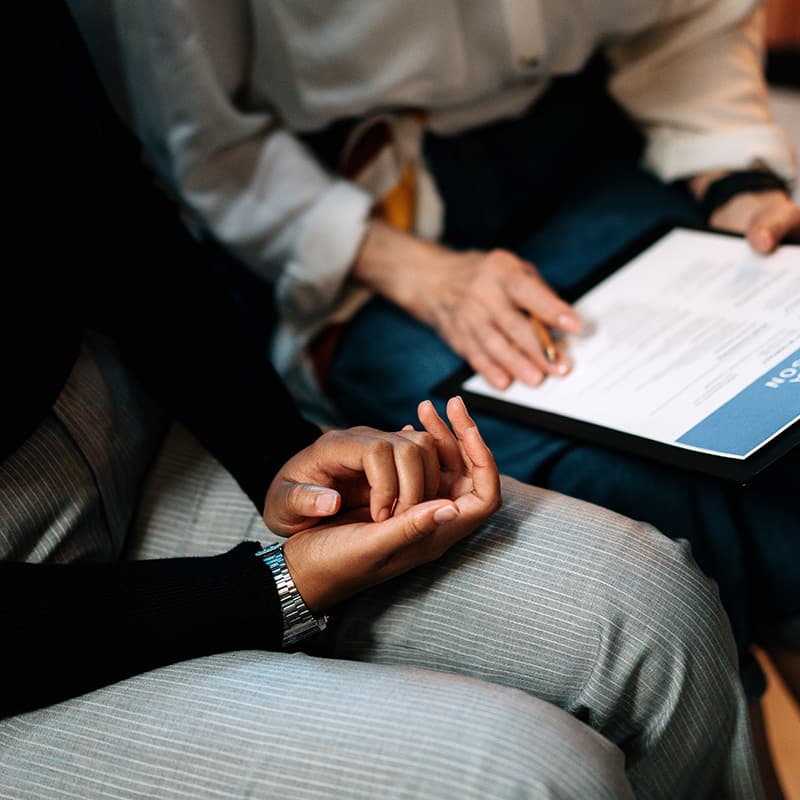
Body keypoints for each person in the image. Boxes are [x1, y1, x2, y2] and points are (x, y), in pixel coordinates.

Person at [0, 5, 762, 799]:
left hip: (125, 416)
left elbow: (107, 197)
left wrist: (277, 453)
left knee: (654, 610)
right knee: (533, 776)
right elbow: (208, 147)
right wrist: (275, 587)